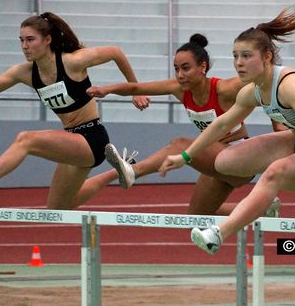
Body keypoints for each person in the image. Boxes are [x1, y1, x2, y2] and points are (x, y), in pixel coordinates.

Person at [158, 7, 295, 254]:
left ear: (267, 57)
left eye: (246, 56)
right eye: (235, 56)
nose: (239, 63)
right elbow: (221, 124)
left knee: (274, 172)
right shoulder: (253, 90)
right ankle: (264, 201)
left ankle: (219, 233)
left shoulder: (289, 84)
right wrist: (184, 157)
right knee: (224, 161)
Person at [0, 11, 147, 210]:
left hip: (92, 138)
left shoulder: (72, 61)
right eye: (21, 40)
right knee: (57, 208)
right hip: (72, 141)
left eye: (30, 39)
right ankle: (120, 169)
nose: (24, 46)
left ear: (47, 40)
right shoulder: (25, 73)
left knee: (27, 139)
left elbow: (115, 53)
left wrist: (135, 91)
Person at [80, 33, 281, 216]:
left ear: (202, 67)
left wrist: (278, 122)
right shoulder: (179, 89)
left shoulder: (225, 89)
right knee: (196, 217)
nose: (180, 75)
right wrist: (107, 89)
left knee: (181, 144)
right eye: (176, 69)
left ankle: (133, 171)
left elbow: (267, 83)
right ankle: (262, 208)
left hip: (239, 160)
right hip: (214, 159)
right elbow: (136, 86)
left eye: (186, 68)